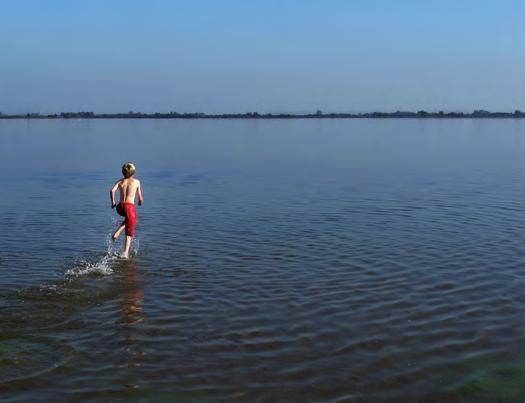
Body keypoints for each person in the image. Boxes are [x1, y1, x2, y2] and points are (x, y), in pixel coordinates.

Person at [110, 162, 143, 258]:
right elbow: (140, 198)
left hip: (120, 207)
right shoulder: (137, 182)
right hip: (129, 207)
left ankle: (118, 232)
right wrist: (140, 201)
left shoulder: (120, 182)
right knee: (129, 233)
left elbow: (112, 190)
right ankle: (126, 254)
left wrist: (113, 203)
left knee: (128, 219)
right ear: (133, 172)